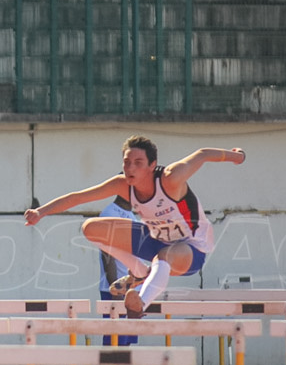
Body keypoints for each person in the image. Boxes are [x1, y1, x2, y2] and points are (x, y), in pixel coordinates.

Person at [25, 135, 245, 317]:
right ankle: (140, 272)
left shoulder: (171, 179)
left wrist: (236, 156)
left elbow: (202, 154)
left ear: (152, 165)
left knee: (165, 255)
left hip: (191, 248)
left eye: (138, 163)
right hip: (154, 239)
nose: (130, 168)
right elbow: (79, 198)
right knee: (90, 228)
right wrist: (40, 212)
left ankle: (141, 302)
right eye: (126, 162)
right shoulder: (122, 185)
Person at [96, 196, 148, 365]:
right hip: (114, 291)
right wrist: (114, 290)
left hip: (131, 290)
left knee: (125, 346)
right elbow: (106, 255)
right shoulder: (109, 213)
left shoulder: (132, 215)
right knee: (112, 345)